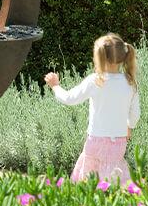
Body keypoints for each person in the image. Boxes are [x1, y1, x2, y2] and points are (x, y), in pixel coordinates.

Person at [44, 33, 140, 184]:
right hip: (119, 142)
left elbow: (69, 99)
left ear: (99, 57)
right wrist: (130, 127)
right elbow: (135, 113)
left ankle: (89, 204)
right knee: (114, 175)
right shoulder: (130, 82)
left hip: (96, 141)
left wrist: (55, 86)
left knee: (89, 179)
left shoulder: (96, 80)